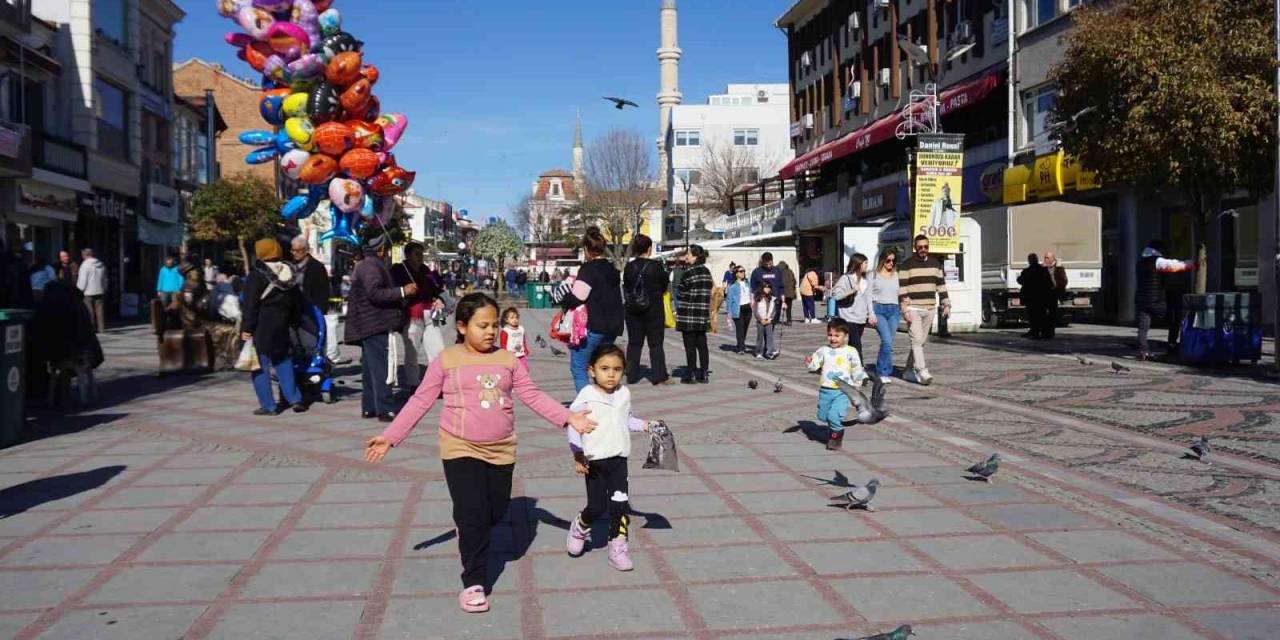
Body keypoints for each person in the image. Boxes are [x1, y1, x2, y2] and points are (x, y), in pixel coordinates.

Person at [364, 293, 596, 613]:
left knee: (496, 510)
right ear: (461, 326)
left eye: (494, 325)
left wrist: (568, 417)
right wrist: (390, 437)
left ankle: (468, 522)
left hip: (501, 450)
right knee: (474, 515)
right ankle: (474, 581)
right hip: (459, 447)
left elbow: (532, 395)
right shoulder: (446, 360)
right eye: (481, 325)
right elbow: (420, 401)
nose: (490, 331)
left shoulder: (507, 360)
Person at [565, 344, 658, 571]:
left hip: (619, 460)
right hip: (594, 462)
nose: (611, 374)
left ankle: (618, 549)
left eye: (617, 369)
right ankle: (579, 526)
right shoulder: (586, 396)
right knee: (596, 507)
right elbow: (573, 426)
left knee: (619, 506)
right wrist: (578, 454)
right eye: (604, 368)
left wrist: (646, 425)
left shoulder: (624, 394)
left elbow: (627, 420)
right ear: (591, 370)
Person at [346, 234, 416, 421]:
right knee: (381, 368)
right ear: (382, 248)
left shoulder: (368, 264)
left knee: (370, 369)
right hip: (375, 322)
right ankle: (385, 409)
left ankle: (370, 407)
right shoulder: (371, 265)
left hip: (369, 323)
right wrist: (403, 291)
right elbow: (375, 293)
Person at [241, 239, 308, 415]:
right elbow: (297, 303)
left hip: (261, 327)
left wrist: (246, 328)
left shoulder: (257, 275)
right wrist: (292, 322)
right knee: (283, 362)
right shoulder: (289, 272)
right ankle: (296, 399)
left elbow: (250, 304)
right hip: (282, 326)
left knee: (259, 366)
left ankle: (268, 405)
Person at [566, 228, 624, 392]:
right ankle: (606, 400)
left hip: (594, 325)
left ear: (586, 249)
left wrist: (563, 297)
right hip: (613, 326)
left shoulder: (588, 270)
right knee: (602, 367)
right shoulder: (613, 269)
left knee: (579, 367)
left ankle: (588, 405)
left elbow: (578, 297)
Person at [805, 318, 868, 450]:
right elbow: (814, 365)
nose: (833, 338)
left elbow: (857, 368)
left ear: (845, 336)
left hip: (842, 391)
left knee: (834, 415)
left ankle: (836, 437)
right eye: (830, 335)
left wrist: (857, 384)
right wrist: (810, 362)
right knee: (823, 416)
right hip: (825, 389)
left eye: (837, 336)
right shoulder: (823, 350)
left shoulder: (851, 351)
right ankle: (833, 427)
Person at [899, 235, 950, 385]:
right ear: (915, 247)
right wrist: (905, 309)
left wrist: (946, 303)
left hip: (930, 308)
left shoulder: (936, 264)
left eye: (926, 247)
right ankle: (922, 370)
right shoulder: (906, 264)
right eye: (920, 247)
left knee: (920, 342)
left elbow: (941, 285)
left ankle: (908, 370)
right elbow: (902, 288)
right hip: (913, 307)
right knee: (916, 339)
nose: (923, 250)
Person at [392, 242, 445, 388]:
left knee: (438, 351)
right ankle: (413, 384)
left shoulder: (425, 269)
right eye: (417, 254)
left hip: (430, 315)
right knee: (412, 353)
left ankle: (436, 383)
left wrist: (439, 298)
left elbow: (437, 288)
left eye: (421, 254)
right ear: (408, 255)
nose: (420, 258)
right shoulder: (398, 270)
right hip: (412, 316)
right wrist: (405, 290)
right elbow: (394, 290)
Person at [622, 234, 672, 385]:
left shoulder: (629, 267)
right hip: (653, 309)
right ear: (649, 249)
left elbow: (627, 285)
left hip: (633, 310)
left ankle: (631, 374)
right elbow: (664, 285)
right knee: (655, 344)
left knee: (634, 343)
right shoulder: (656, 267)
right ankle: (659, 375)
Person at [1135, 241, 1194, 360]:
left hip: (1141, 299)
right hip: (1156, 300)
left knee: (1143, 327)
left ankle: (1143, 351)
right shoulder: (1156, 261)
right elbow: (1172, 265)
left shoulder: (1139, 262)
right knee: (1175, 316)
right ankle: (1172, 344)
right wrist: (1189, 263)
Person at [675, 244, 712, 384]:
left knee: (689, 345)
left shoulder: (689, 273)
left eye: (689, 254)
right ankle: (703, 373)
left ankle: (690, 373)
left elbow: (681, 292)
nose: (686, 256)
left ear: (695, 256)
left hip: (689, 314)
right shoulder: (707, 272)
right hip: (702, 314)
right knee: (702, 344)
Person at [864, 249, 901, 382]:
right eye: (888, 260)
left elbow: (901, 293)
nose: (891, 263)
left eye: (893, 260)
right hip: (879, 309)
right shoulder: (873, 275)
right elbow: (868, 295)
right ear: (882, 260)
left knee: (889, 343)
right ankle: (882, 372)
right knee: (886, 340)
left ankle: (885, 370)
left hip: (894, 310)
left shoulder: (897, 275)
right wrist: (871, 313)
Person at [831, 253, 870, 361]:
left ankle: (841, 363)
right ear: (858, 264)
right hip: (848, 317)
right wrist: (852, 290)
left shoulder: (865, 280)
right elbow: (836, 295)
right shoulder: (846, 278)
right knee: (857, 344)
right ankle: (859, 369)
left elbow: (868, 299)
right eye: (865, 263)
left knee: (851, 345)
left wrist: (870, 313)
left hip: (861, 318)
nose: (867, 266)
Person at [1018, 253, 1053, 339]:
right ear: (1037, 260)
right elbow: (1050, 283)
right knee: (1042, 315)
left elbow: (1020, 280)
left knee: (1033, 316)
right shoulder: (1043, 270)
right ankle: (1044, 333)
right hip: (1042, 297)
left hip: (1031, 298)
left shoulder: (1027, 271)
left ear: (1029, 261)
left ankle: (1034, 332)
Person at [76, 248, 107, 333]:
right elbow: (104, 279)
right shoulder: (101, 264)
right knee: (99, 310)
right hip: (100, 290)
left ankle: (91, 328)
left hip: (88, 292)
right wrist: (104, 288)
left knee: (89, 311)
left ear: (84, 255)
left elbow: (83, 280)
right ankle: (101, 328)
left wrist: (79, 290)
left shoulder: (85, 265)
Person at [724, 265, 752, 354]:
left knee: (745, 328)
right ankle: (741, 348)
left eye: (743, 271)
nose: (743, 273)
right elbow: (729, 300)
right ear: (736, 274)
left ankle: (740, 344)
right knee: (740, 329)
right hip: (738, 309)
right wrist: (729, 313)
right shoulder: (732, 286)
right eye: (741, 271)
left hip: (748, 308)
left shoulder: (748, 283)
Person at [749, 252, 783, 324]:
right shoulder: (757, 272)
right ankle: (765, 335)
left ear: (772, 261)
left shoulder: (777, 271)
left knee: (772, 322)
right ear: (762, 262)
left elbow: (781, 286)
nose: (768, 266)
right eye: (766, 264)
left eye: (770, 263)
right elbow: (753, 287)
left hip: (775, 301)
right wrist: (753, 301)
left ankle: (769, 335)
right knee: (762, 323)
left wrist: (784, 301)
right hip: (761, 302)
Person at [1043, 251, 1069, 334]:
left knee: (1052, 312)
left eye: (1047, 258)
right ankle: (1045, 330)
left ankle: (1050, 330)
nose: (1045, 259)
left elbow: (1064, 280)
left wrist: (1058, 289)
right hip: (1045, 293)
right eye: (1045, 257)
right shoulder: (1042, 267)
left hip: (1054, 293)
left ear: (1052, 259)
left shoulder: (1058, 268)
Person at [753, 282, 779, 360]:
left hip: (768, 320)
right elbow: (755, 311)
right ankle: (758, 352)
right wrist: (760, 320)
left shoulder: (772, 299)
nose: (767, 289)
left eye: (769, 287)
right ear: (762, 288)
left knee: (769, 336)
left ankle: (770, 352)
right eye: (765, 287)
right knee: (760, 337)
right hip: (760, 320)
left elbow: (774, 311)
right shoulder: (758, 298)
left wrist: (770, 319)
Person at [778, 260, 798, 325]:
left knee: (778, 307)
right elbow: (795, 282)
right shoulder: (790, 271)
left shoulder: (778, 272)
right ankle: (789, 320)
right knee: (789, 308)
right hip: (790, 293)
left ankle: (776, 319)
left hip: (781, 293)